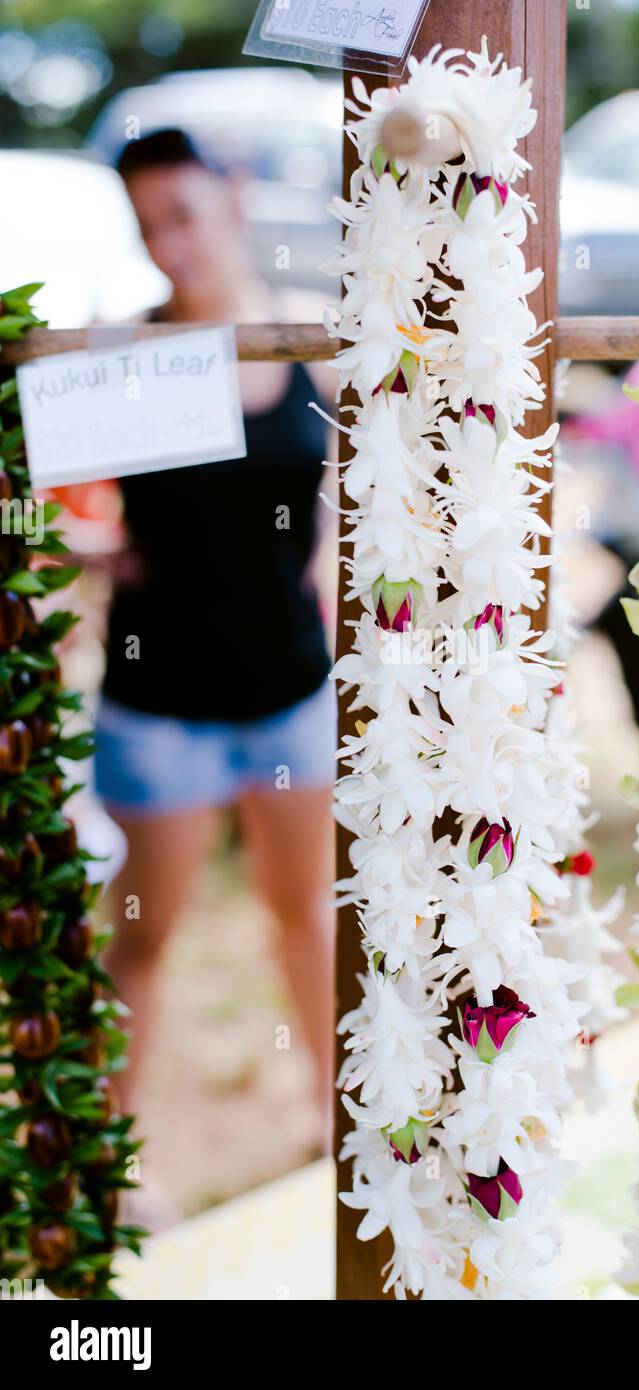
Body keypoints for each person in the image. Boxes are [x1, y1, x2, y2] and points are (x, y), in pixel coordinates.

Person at [93, 129, 336, 1146]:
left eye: (183, 214)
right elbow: (60, 507)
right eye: (149, 226)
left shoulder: (311, 337)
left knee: (308, 914)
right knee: (144, 938)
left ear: (234, 196)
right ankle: (101, 1166)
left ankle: (341, 1122)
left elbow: (342, 500)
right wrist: (98, 553)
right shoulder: (118, 354)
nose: (170, 246)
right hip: (161, 707)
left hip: (289, 689)